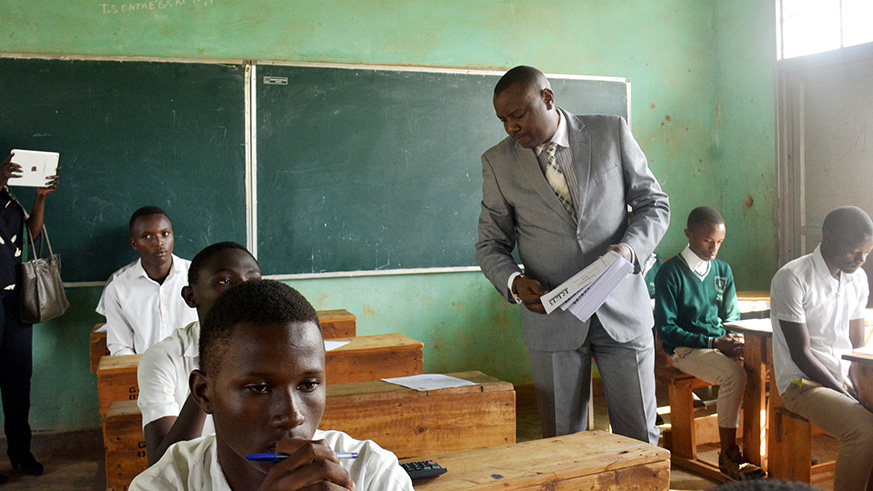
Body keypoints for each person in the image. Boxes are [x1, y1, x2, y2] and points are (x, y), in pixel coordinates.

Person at [476, 66, 670, 443]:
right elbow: (490, 243)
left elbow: (653, 204)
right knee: (562, 444)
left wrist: (631, 249)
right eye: (503, 120)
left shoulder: (610, 132)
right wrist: (514, 283)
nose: (511, 128)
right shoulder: (498, 162)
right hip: (553, 318)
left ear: (547, 98)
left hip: (622, 311)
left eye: (518, 115)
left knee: (640, 438)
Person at [129, 279, 414, 490]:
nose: (292, 415)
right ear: (204, 394)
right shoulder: (164, 485)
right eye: (260, 388)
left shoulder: (372, 473)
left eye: (308, 385)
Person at [654, 206, 765, 480]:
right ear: (689, 234)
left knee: (764, 369)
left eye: (719, 242)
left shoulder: (722, 270)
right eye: (707, 240)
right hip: (685, 350)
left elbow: (731, 316)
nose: (714, 248)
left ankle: (769, 444)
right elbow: (667, 330)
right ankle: (728, 455)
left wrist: (736, 338)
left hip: (717, 345)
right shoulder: (670, 273)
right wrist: (715, 342)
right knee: (733, 376)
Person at [770, 206, 873, 491]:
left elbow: (857, 345)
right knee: (865, 431)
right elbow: (801, 354)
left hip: (842, 378)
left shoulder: (857, 279)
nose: (861, 260)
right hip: (803, 383)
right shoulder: (792, 277)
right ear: (828, 238)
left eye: (867, 252)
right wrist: (842, 390)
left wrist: (861, 384)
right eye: (855, 251)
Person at [138, 242, 261, 465]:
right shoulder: (162, 359)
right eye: (225, 281)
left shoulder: (272, 352)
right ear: (191, 296)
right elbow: (161, 464)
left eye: (252, 281)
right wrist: (214, 364)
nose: (244, 291)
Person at [0, 152, 59, 481]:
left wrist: (39, 198)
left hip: (14, 302)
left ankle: (21, 452)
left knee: (18, 382)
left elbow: (31, 235)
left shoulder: (9, 200)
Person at [100, 206, 197, 355]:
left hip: (195, 372)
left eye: (165, 234)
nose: (158, 242)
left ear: (173, 236)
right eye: (147, 236)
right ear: (134, 244)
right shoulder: (118, 288)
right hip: (144, 374)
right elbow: (121, 347)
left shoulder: (197, 275)